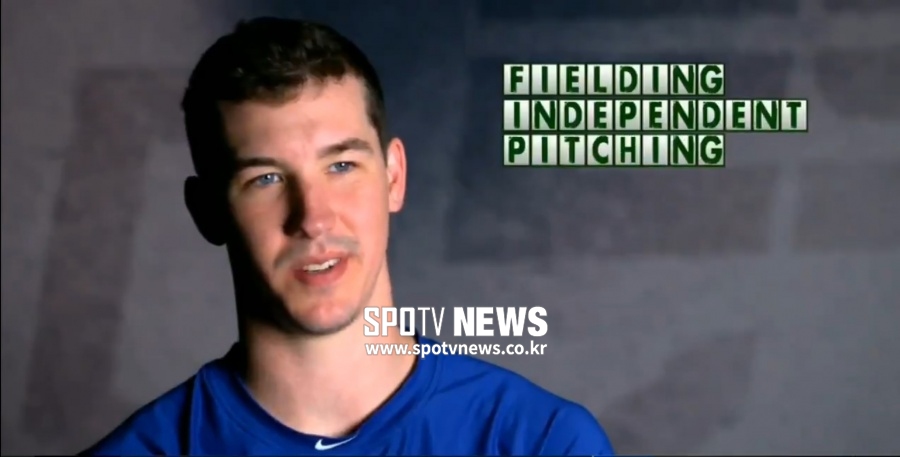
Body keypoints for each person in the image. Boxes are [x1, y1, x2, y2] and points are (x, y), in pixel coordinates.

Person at [83, 17, 615, 456]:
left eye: (341, 166)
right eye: (265, 179)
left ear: (393, 177)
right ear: (207, 212)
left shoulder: (541, 443)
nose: (313, 218)